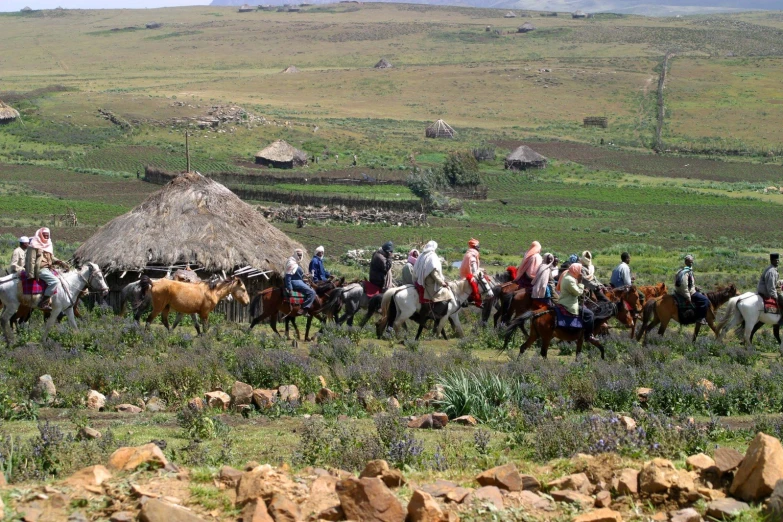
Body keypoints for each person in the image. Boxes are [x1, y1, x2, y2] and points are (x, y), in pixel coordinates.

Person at [26, 228, 69, 311]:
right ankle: (43, 302)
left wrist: (61, 262)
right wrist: (31, 274)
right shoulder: (34, 245)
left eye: (47, 235)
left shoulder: (48, 244)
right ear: (40, 235)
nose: (46, 236)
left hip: (49, 268)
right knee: (55, 281)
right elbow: (31, 260)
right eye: (44, 235)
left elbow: (51, 258)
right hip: (40, 269)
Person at [556, 262, 597, 342]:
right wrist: (581, 283)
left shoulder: (567, 275)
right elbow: (578, 293)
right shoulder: (570, 280)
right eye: (579, 270)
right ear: (575, 270)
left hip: (564, 300)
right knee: (590, 314)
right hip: (569, 304)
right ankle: (588, 335)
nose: (580, 272)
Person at [674, 254, 710, 323]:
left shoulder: (681, 271)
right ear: (686, 262)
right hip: (689, 292)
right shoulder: (686, 273)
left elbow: (688, 284)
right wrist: (688, 296)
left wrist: (695, 287)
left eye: (692, 262)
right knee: (705, 300)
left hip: (680, 291)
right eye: (690, 262)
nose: (691, 263)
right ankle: (700, 318)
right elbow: (684, 286)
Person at [284, 248, 316, 314]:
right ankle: (304, 308)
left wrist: (305, 277)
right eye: (298, 255)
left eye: (301, 255)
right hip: (295, 282)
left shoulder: (296, 263)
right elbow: (288, 276)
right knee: (312, 292)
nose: (300, 256)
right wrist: (290, 289)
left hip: (299, 281)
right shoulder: (291, 263)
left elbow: (298, 276)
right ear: (295, 254)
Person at [758, 253, 783, 325]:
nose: (777, 262)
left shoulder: (772, 269)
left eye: (778, 260)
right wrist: (776, 296)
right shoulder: (772, 271)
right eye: (775, 260)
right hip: (767, 291)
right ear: (771, 261)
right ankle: (781, 319)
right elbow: (771, 287)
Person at [459, 238, 483, 307]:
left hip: (463, 276)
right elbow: (475, 271)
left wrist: (480, 269)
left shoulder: (468, 253)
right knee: (483, 282)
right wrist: (480, 271)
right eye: (478, 246)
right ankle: (478, 301)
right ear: (475, 247)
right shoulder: (472, 256)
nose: (479, 248)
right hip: (468, 277)